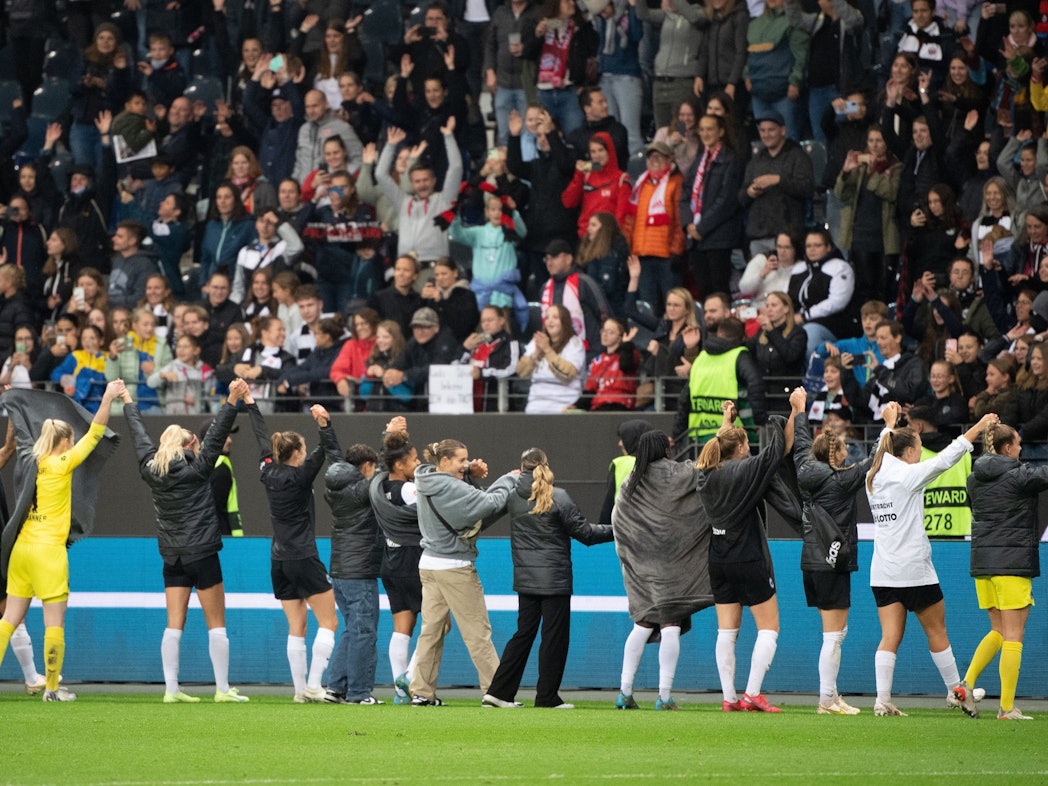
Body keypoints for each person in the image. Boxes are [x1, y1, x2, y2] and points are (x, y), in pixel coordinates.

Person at [864, 402, 999, 716]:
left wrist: (889, 423)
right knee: (937, 633)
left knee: (889, 637)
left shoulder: (875, 472)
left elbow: (881, 449)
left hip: (883, 571)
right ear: (909, 451)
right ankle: (958, 693)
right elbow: (945, 460)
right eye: (919, 448)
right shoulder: (908, 476)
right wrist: (977, 429)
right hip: (914, 570)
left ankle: (882, 700)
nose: (920, 454)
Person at [123, 378, 251, 703]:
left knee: (173, 625)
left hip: (172, 556)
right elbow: (218, 433)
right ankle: (222, 689)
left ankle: (171, 689)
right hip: (204, 553)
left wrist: (127, 399)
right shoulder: (199, 469)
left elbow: (138, 436)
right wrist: (232, 398)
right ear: (189, 445)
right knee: (216, 624)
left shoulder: (151, 470)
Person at [0, 380, 124, 702]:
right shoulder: (61, 464)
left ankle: (49, 687)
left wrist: (13, 401)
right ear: (65, 441)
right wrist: (109, 396)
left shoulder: (30, 460)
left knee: (9, 620)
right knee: (54, 622)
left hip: (22, 550)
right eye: (70, 440)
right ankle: (52, 690)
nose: (73, 445)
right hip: (48, 554)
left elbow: (23, 434)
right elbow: (96, 433)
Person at [696, 391, 805, 713]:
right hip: (748, 557)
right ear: (741, 449)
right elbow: (779, 450)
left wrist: (727, 422)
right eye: (745, 445)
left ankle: (729, 698)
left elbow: (720, 447)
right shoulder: (745, 471)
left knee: (726, 632)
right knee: (768, 628)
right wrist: (795, 411)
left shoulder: (704, 475)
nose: (749, 449)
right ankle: (753, 694)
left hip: (718, 559)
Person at [484, 448, 613, 709]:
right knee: (554, 638)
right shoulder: (559, 497)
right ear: (545, 464)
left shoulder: (513, 497)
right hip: (555, 580)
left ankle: (498, 693)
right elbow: (587, 534)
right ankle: (546, 697)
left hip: (525, 578)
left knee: (523, 634)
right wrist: (619, 528)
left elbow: (484, 508)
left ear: (521, 468)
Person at [408, 438, 517, 706]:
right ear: (444, 462)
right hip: (454, 567)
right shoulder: (449, 485)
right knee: (477, 632)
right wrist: (508, 479)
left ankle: (421, 692)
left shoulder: (426, 477)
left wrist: (468, 473)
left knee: (430, 632)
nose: (464, 464)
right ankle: (495, 691)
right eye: (460, 460)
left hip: (429, 564)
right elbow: (489, 503)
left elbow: (463, 497)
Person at [246, 395, 341, 703]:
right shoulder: (301, 476)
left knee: (296, 626)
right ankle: (314, 685)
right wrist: (324, 423)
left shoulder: (267, 471)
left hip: (279, 560)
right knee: (329, 622)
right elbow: (325, 451)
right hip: (303, 556)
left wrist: (250, 402)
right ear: (297, 452)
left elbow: (260, 436)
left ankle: (300, 692)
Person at [611, 430, 713, 711]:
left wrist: (631, 555)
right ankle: (664, 696)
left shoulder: (630, 481)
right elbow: (705, 470)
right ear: (664, 449)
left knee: (642, 623)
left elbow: (617, 520)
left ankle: (624, 693)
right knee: (670, 624)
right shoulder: (677, 472)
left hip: (641, 567)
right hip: (674, 565)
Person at [960, 422, 1048, 720]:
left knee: (998, 631)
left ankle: (966, 684)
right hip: (1011, 563)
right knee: (1014, 635)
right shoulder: (1020, 475)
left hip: (983, 564)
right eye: (1018, 445)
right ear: (1007, 448)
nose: (1022, 450)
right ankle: (1007, 707)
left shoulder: (973, 479)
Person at [793, 407, 874, 715]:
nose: (847, 453)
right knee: (834, 635)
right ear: (836, 455)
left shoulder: (803, 469)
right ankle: (827, 699)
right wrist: (889, 427)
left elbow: (801, 443)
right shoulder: (839, 482)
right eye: (843, 448)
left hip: (810, 562)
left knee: (834, 633)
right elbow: (873, 462)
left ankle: (832, 695)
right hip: (832, 560)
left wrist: (799, 412)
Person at [321, 435, 385, 705]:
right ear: (368, 466)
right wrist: (389, 437)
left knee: (352, 629)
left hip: (339, 571)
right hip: (359, 572)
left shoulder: (335, 489)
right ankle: (359, 693)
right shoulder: (361, 491)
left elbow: (336, 456)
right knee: (364, 632)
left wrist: (326, 428)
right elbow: (385, 474)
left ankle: (336, 687)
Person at [368, 422, 423, 704]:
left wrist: (388, 433)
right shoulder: (408, 490)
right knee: (441, 625)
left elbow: (384, 459)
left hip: (390, 560)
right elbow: (432, 510)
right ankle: (409, 676)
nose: (420, 463)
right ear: (401, 464)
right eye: (414, 460)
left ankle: (401, 693)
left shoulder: (380, 485)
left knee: (402, 627)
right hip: (413, 560)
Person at [517, 304, 587, 413]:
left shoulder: (575, 343)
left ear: (565, 321)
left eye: (555, 317)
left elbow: (568, 374)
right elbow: (521, 372)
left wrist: (547, 350)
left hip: (564, 405)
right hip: (535, 405)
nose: (550, 321)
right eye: (547, 317)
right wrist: (536, 353)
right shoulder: (538, 341)